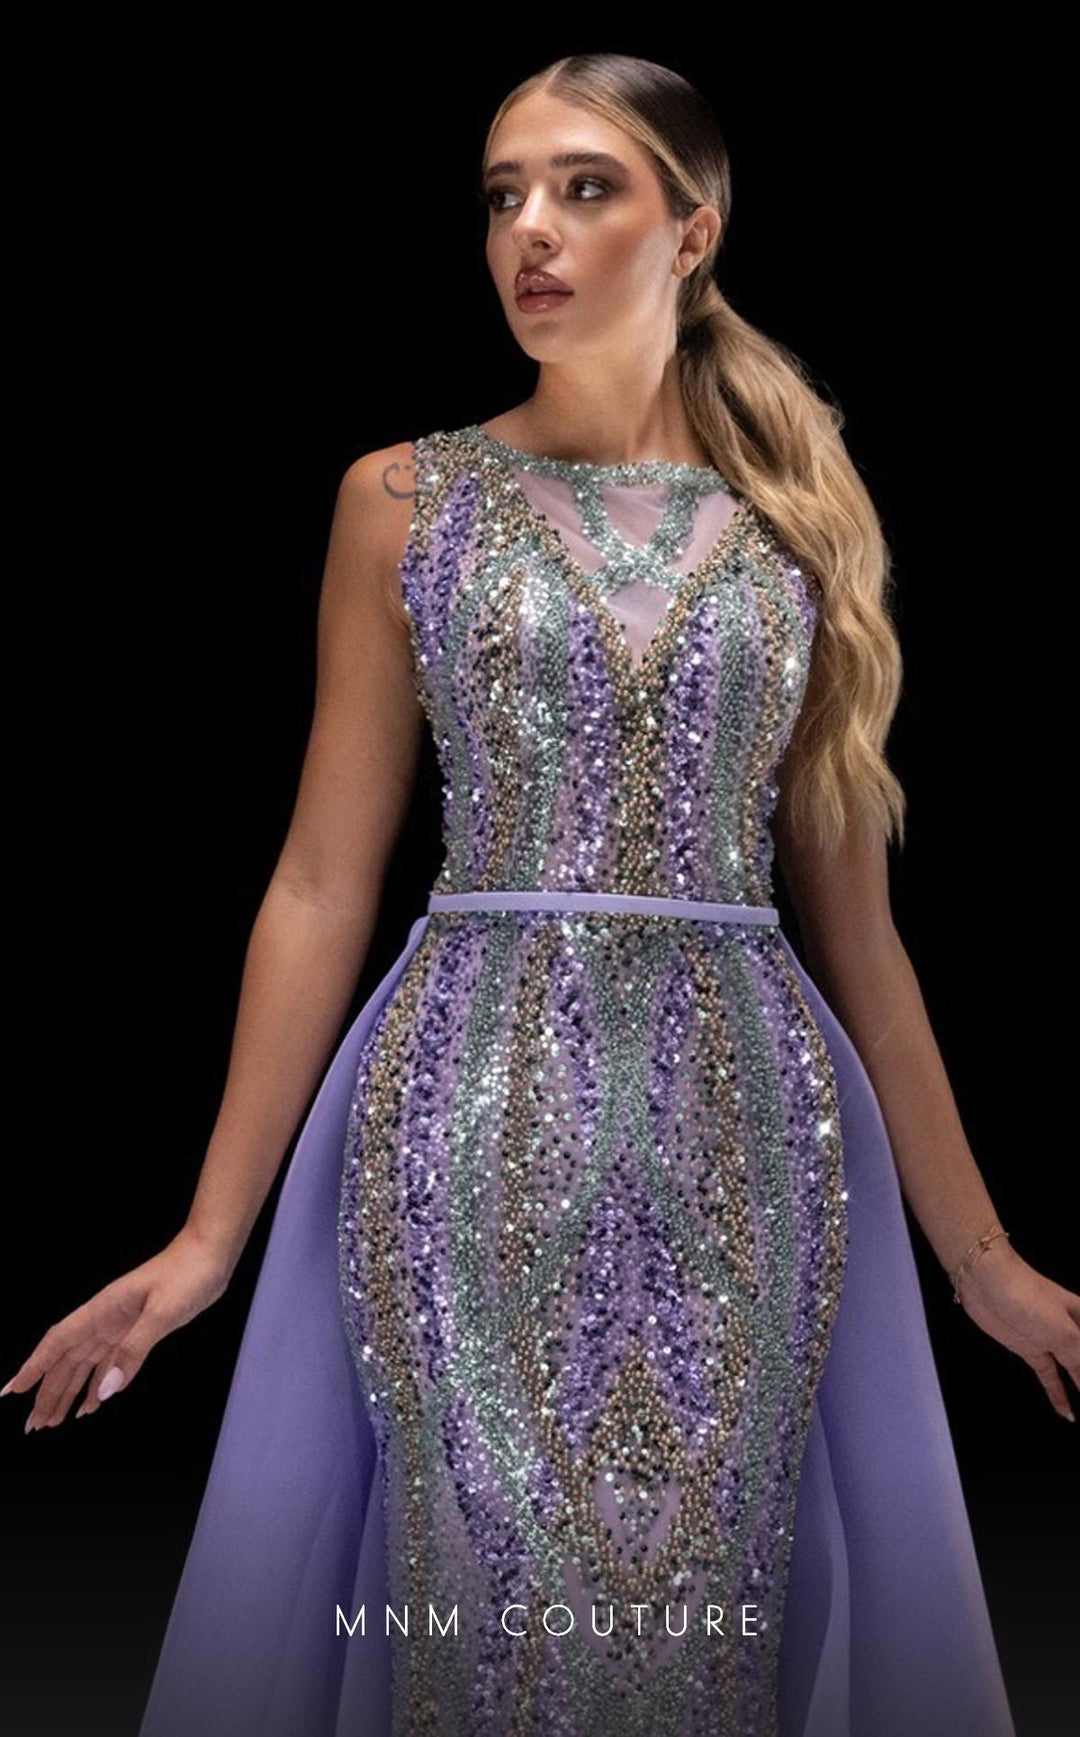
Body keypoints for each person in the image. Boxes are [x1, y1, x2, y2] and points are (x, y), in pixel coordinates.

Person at [5, 51, 1078, 1737]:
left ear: (694, 230)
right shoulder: (402, 501)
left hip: (748, 1140)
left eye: (587, 188)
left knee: (705, 1622)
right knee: (482, 1601)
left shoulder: (797, 525)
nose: (532, 230)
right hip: (466, 1117)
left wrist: (981, 1255)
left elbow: (861, 933)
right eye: (505, 194)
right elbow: (318, 880)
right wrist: (207, 1237)